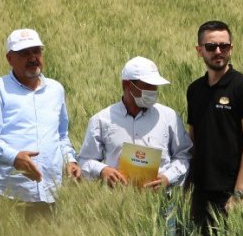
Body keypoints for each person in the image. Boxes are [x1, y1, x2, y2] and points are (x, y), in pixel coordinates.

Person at [0, 28, 80, 214]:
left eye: (36, 51)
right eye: (24, 53)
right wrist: (14, 158)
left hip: (51, 191)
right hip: (9, 192)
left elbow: (61, 135)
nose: (33, 58)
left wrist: (70, 160)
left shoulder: (56, 89)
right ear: (9, 59)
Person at [185, 20, 243, 236]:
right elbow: (194, 137)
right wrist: (187, 185)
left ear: (231, 48)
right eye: (210, 47)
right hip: (201, 189)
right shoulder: (195, 90)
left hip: (231, 190)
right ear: (199, 51)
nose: (218, 51)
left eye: (224, 46)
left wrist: (239, 192)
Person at [77, 56, 192, 189]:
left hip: (161, 201)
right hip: (117, 201)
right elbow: (84, 160)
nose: (153, 91)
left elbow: (184, 155)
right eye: (148, 86)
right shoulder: (101, 120)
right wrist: (102, 170)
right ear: (127, 85)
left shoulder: (169, 116)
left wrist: (167, 177)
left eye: (155, 86)